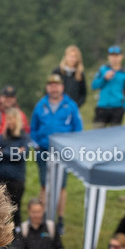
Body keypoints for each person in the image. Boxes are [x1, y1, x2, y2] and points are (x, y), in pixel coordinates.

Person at [30, 73, 83, 223]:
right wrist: (35, 144)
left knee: (61, 185)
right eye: (51, 85)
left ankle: (60, 219)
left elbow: (78, 129)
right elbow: (33, 128)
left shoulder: (70, 105)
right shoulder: (41, 105)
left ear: (62, 87)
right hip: (43, 150)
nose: (54, 88)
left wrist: (72, 147)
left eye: (57, 85)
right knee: (43, 184)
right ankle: (42, 217)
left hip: (62, 151)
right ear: (47, 87)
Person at [0, 109, 28, 231]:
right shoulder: (1, 137)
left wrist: (4, 152)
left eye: (12, 119)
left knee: (15, 209)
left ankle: (17, 239)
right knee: (0, 209)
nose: (9, 122)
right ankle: (1, 238)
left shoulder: (23, 138)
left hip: (16, 179)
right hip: (1, 178)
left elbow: (22, 156)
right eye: (8, 119)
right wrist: (14, 152)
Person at [91, 46, 125, 127]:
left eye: (116, 55)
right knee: (97, 134)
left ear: (121, 57)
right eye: (112, 55)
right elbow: (94, 86)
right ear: (108, 57)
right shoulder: (102, 70)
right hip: (102, 107)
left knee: (115, 136)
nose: (114, 58)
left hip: (117, 108)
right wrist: (104, 79)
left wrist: (124, 108)